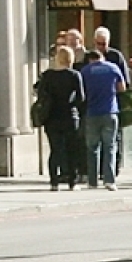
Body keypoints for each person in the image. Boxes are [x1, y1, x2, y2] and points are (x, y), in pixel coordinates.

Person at [37, 45, 85, 191]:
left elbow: (41, 96)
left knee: (55, 150)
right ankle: (72, 181)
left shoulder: (47, 75)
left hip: (51, 117)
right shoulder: (74, 75)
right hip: (69, 116)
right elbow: (81, 97)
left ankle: (54, 182)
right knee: (71, 150)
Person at [79, 48, 127, 190]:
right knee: (110, 146)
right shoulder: (113, 68)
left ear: (90, 59)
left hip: (92, 112)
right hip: (110, 112)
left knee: (92, 148)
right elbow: (122, 88)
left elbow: (82, 91)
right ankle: (109, 180)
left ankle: (92, 181)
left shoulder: (85, 71)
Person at [93, 27, 130, 174]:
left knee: (114, 138)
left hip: (113, 104)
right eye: (99, 43)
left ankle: (113, 168)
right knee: (96, 141)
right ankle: (99, 170)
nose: (101, 47)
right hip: (95, 104)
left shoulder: (116, 56)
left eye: (104, 44)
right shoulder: (91, 56)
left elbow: (125, 81)